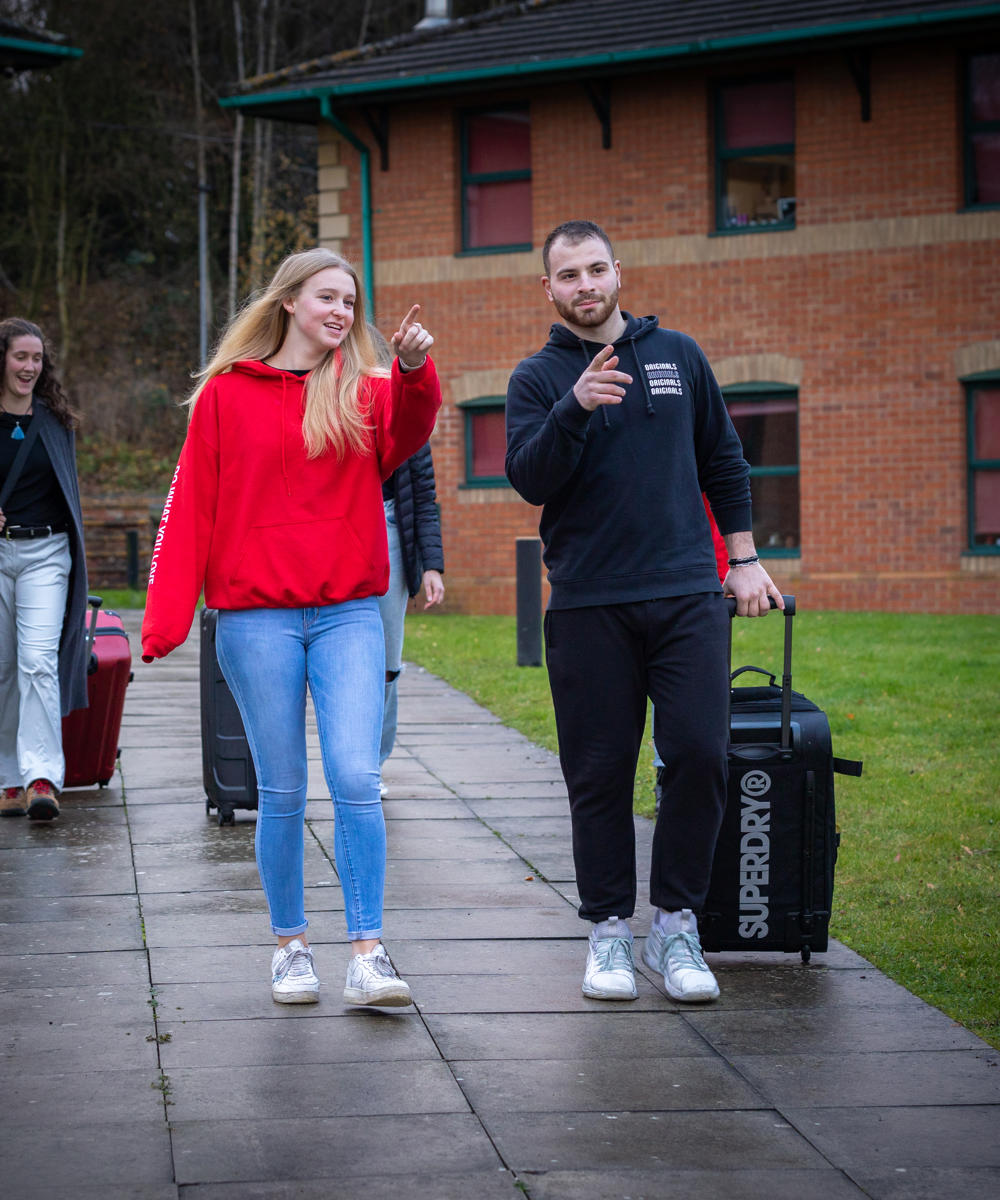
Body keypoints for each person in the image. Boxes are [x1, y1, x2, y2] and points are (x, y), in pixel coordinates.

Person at [140, 248, 441, 1008]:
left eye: (350, 300)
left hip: (347, 612)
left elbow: (409, 432)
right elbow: (190, 512)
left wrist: (410, 372)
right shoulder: (224, 397)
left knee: (355, 778)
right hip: (255, 618)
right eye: (327, 298)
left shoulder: (364, 392)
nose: (342, 312)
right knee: (281, 789)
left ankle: (368, 953)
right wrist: (165, 622)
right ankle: (291, 948)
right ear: (287, 303)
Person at [505, 220, 782, 1005]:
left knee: (699, 754)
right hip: (590, 603)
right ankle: (607, 935)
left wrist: (744, 557)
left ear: (618, 271)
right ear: (550, 289)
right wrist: (575, 407)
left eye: (596, 269)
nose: (586, 286)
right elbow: (528, 478)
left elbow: (724, 461)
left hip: (688, 595)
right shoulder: (536, 379)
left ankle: (675, 926)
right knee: (598, 775)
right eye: (569, 276)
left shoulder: (679, 356)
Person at [0, 318, 89, 822]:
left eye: (36, 359)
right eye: (20, 357)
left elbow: (69, 493)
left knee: (37, 662)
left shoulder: (53, 421)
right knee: (4, 668)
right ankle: (8, 779)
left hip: (45, 555)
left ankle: (41, 778)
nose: (29, 367)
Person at [377, 442, 445, 793]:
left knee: (387, 663)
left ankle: (372, 763)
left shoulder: (404, 402)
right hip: (337, 525)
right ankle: (349, 762)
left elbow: (423, 495)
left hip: (389, 526)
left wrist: (432, 565)